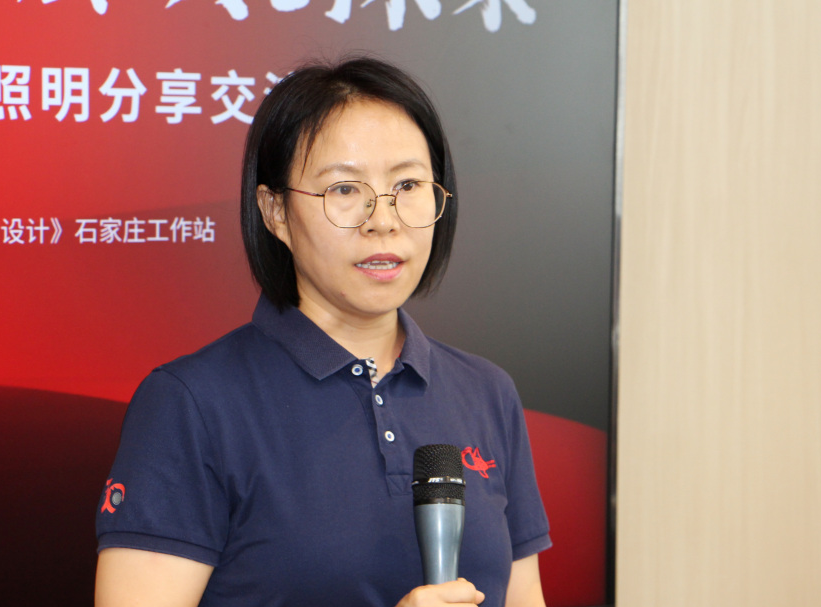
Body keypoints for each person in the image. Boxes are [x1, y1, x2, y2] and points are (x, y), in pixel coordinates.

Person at [95, 56, 551, 607]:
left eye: (408, 184)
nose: (383, 219)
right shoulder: (191, 404)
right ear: (275, 212)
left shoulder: (486, 393)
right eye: (344, 190)